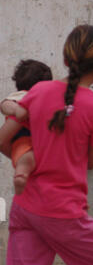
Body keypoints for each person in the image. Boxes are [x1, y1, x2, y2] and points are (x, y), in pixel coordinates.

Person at [0, 25, 93, 265]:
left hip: (26, 207)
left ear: (64, 59)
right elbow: (90, 161)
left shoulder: (38, 91)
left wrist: (24, 159)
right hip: (65, 213)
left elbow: (4, 139)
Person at [0, 59, 53, 195]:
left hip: (24, 143)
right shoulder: (24, 97)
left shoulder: (19, 98)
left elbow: (4, 105)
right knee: (28, 159)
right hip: (35, 144)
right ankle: (22, 174)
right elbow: (5, 105)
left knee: (25, 160)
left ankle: (21, 175)